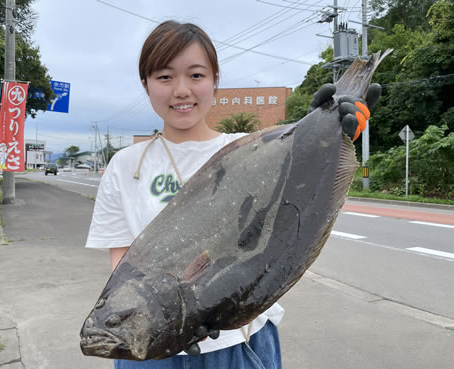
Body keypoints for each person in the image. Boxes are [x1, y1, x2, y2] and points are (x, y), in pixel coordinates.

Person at [85, 20, 379, 369]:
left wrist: (334, 129)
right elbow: (124, 266)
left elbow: (295, 204)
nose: (181, 90)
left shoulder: (245, 149)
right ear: (145, 84)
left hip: (243, 344)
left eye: (196, 75)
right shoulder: (124, 165)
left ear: (215, 82)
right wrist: (165, 321)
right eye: (165, 77)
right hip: (151, 357)